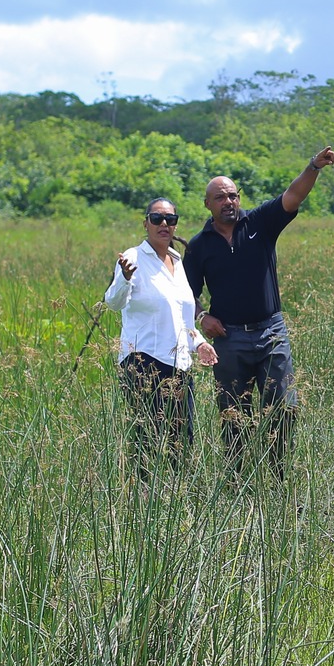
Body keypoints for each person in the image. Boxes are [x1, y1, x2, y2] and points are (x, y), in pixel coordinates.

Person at [183, 146, 334, 474]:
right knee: (233, 414)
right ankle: (238, 482)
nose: (228, 202)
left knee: (282, 408)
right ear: (208, 205)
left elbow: (292, 196)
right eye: (220, 197)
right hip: (229, 339)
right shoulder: (199, 246)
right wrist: (201, 316)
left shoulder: (260, 223)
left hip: (270, 332)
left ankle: (279, 476)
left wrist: (313, 167)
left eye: (233, 195)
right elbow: (187, 295)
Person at [107, 197, 218, 484]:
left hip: (179, 366)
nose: (164, 224)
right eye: (157, 219)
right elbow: (114, 303)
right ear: (146, 223)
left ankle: (177, 502)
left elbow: (181, 319)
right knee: (147, 440)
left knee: (182, 440)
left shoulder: (178, 261)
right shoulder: (133, 257)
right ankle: (142, 502)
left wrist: (200, 344)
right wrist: (124, 278)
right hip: (143, 364)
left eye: (170, 219)